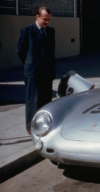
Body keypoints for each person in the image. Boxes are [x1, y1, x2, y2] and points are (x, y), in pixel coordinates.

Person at [17, 7, 56, 135]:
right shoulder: (27, 30)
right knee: (32, 102)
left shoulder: (50, 31)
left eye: (49, 20)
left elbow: (52, 52)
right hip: (33, 74)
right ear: (37, 17)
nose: (47, 22)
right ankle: (31, 128)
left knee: (45, 102)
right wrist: (29, 64)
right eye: (45, 19)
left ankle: (44, 125)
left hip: (47, 73)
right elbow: (21, 51)